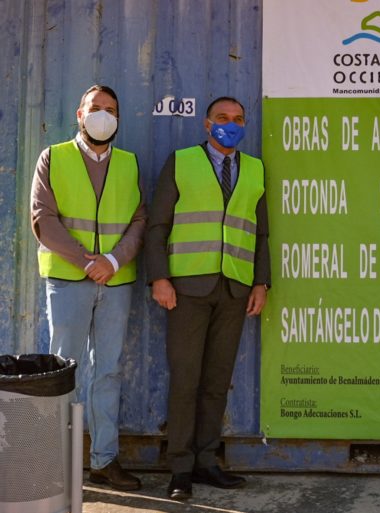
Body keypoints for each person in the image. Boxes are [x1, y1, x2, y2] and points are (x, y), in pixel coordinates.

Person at [146, 96, 270, 501]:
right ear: (206, 124)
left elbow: (261, 233)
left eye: (237, 120)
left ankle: (206, 461)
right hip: (186, 289)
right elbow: (158, 224)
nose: (230, 125)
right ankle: (180, 468)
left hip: (234, 288)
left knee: (216, 382)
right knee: (185, 380)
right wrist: (159, 278)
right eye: (222, 118)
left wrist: (261, 283)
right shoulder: (181, 161)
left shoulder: (254, 169)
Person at [30, 84, 146, 490]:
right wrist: (87, 262)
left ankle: (104, 461)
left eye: (111, 109)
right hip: (68, 280)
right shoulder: (54, 157)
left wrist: (112, 262)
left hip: (116, 281)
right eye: (95, 108)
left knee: (109, 371)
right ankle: (51, 463)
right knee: (62, 369)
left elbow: (138, 221)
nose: (103, 115)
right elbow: (44, 219)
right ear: (80, 114)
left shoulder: (129, 163)